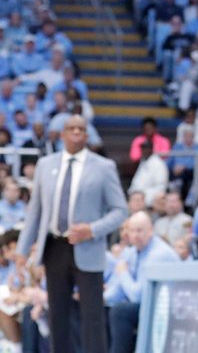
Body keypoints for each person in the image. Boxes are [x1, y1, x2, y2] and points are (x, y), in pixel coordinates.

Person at [15, 115, 128, 353]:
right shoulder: (46, 165)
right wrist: (21, 252)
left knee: (92, 318)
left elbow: (120, 211)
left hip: (89, 247)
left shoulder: (103, 167)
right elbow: (35, 213)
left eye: (81, 128)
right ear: (62, 134)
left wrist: (92, 229)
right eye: (71, 128)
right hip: (54, 247)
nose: (76, 131)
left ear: (87, 136)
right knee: (57, 316)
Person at [105, 211, 180, 353]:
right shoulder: (131, 252)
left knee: (120, 311)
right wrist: (102, 298)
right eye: (132, 231)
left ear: (150, 230)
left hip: (165, 307)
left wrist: (123, 273)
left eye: (139, 230)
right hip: (146, 305)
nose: (135, 235)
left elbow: (138, 296)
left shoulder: (158, 254)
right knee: (100, 308)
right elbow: (119, 289)